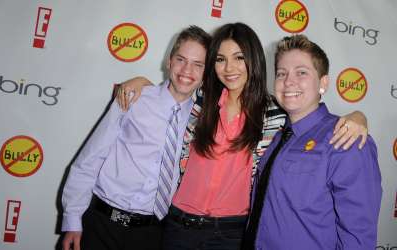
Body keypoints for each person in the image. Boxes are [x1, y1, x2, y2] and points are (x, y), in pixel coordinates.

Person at [115, 23, 369, 250]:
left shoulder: (275, 115)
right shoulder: (200, 100)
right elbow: (172, 88)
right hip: (178, 225)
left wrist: (358, 116)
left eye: (239, 57)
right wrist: (141, 82)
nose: (229, 68)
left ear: (253, 60)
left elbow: (312, 116)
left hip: (230, 234)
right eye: (220, 59)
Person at [61, 25, 211, 250]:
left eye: (198, 64)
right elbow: (90, 158)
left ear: (206, 73)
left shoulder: (205, 120)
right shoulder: (133, 98)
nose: (187, 70)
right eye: (181, 59)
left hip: (153, 235)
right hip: (102, 224)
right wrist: (73, 221)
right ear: (169, 61)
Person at [243, 34, 382, 250]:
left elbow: (358, 237)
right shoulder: (278, 136)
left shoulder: (346, 139)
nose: (289, 81)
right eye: (281, 73)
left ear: (323, 83)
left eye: (301, 72)